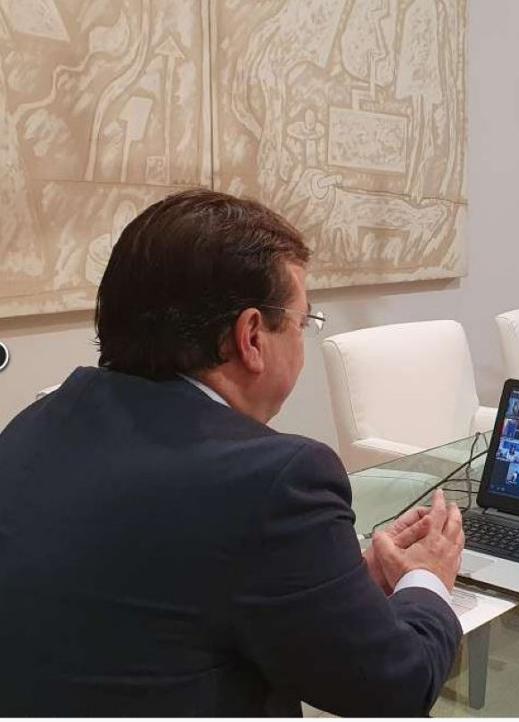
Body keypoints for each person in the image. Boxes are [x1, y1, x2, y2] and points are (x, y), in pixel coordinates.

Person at [0, 190, 463, 716]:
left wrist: (336, 580)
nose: (304, 339)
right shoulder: (275, 481)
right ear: (251, 338)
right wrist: (427, 577)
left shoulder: (37, 422)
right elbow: (395, 689)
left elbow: (160, 591)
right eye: (303, 322)